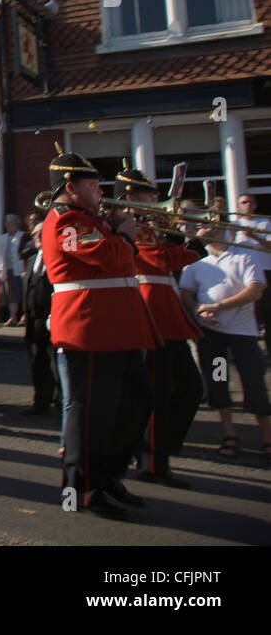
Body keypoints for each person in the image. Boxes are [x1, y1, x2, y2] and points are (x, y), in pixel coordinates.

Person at [40, 148, 154, 521]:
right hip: (89, 329)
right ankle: (82, 488)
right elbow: (108, 256)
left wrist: (118, 228)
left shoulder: (89, 218)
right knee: (91, 416)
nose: (101, 192)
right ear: (70, 187)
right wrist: (121, 232)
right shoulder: (64, 220)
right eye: (93, 185)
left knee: (132, 406)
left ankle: (107, 477)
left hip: (117, 328)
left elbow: (119, 258)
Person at [115, 165, 202, 488]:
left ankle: (159, 450)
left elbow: (170, 257)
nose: (155, 199)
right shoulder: (130, 226)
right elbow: (161, 260)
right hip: (150, 309)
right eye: (148, 195)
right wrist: (192, 242)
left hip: (167, 310)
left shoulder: (148, 226)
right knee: (159, 392)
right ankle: (152, 461)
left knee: (191, 388)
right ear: (131, 198)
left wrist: (181, 236)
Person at [180, 225, 271, 461]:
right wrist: (198, 311)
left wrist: (217, 306)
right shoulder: (196, 262)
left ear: (222, 230)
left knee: (253, 380)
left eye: (212, 227)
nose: (207, 230)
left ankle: (267, 436)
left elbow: (255, 291)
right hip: (213, 335)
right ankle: (229, 433)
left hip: (243, 333)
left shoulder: (244, 254)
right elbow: (187, 293)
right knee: (219, 381)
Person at [20, 222, 59, 416]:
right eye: (34, 234)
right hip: (33, 320)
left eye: (41, 234)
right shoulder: (31, 260)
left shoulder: (56, 257)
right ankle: (40, 402)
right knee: (37, 361)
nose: (36, 237)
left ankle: (60, 403)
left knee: (55, 362)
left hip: (52, 318)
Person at [231, 193, 271, 341]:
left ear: (255, 206)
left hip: (265, 269)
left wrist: (254, 236)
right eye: (244, 202)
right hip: (244, 272)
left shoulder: (265, 223)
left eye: (250, 202)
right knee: (250, 310)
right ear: (238, 206)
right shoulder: (233, 225)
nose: (247, 204)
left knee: (267, 310)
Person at [0, 214, 30, 326]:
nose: (7, 226)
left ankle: (24, 316)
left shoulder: (23, 236)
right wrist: (2, 270)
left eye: (10, 223)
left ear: (16, 225)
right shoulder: (2, 238)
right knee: (12, 294)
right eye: (6, 224)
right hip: (9, 269)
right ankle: (13, 317)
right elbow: (1, 256)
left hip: (21, 269)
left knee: (24, 292)